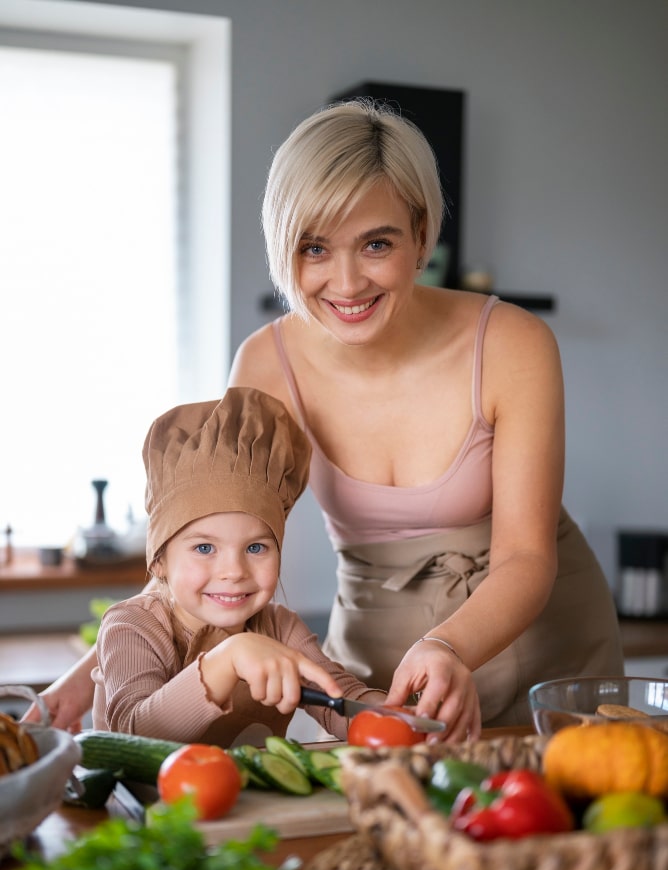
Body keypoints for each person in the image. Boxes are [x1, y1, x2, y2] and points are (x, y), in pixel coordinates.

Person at [31, 99, 622, 740]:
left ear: (422, 234)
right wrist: (95, 670)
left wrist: (449, 647)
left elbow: (527, 556)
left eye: (376, 243)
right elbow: (213, 548)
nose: (345, 283)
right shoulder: (267, 363)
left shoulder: (512, 344)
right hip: (374, 671)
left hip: (547, 657)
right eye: (314, 247)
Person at [90, 386, 386, 746]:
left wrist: (385, 713)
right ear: (160, 561)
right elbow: (132, 733)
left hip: (246, 803)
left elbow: (337, 700)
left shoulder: (280, 627)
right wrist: (229, 657)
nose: (234, 571)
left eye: (256, 547)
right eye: (204, 547)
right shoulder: (133, 625)